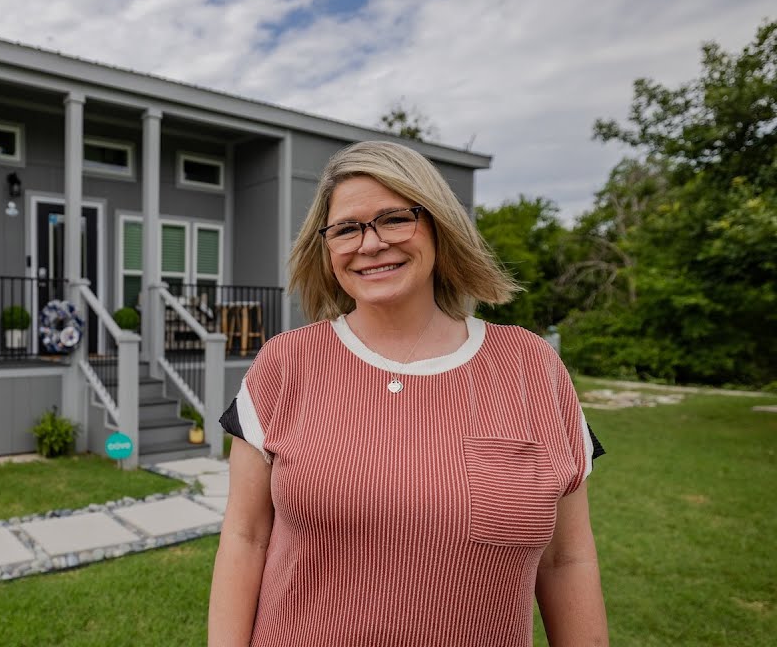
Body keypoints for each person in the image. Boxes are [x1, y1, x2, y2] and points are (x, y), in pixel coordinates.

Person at [208, 141, 607, 646]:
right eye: (347, 228)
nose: (370, 243)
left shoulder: (532, 366)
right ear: (326, 247)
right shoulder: (286, 364)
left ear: (439, 226)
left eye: (395, 219)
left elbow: (565, 559)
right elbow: (246, 538)